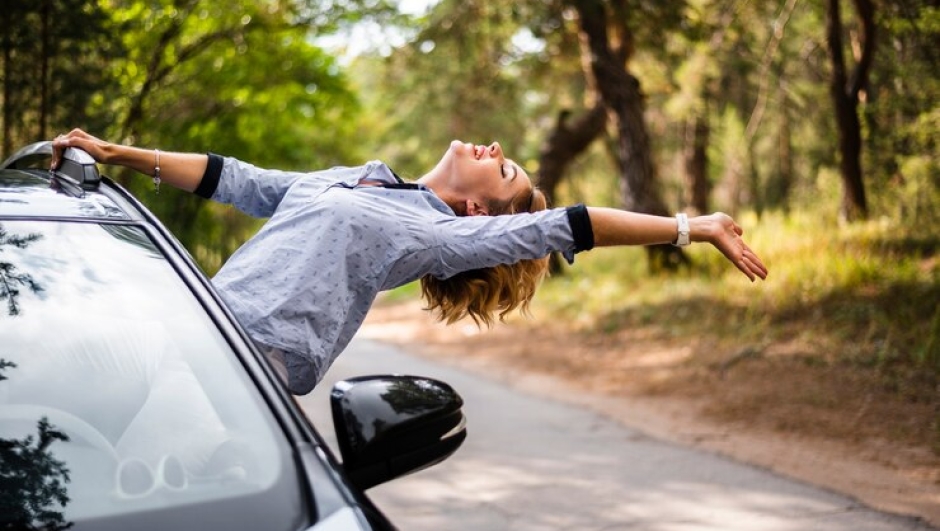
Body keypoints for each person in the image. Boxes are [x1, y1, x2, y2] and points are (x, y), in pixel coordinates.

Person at [51, 129, 768, 394]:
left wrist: (689, 227)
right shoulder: (356, 177)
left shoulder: (444, 235)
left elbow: (568, 225)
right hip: (192, 329)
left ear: (483, 212)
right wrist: (119, 155)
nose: (493, 149)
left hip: (250, 365)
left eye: (506, 167)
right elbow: (234, 179)